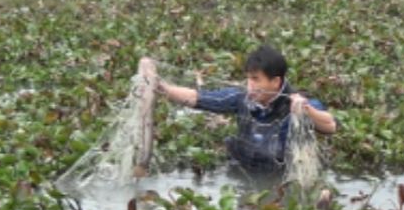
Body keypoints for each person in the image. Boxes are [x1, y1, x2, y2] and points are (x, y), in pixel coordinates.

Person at [140, 45, 336, 172]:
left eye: (256, 79)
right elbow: (196, 98)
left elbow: (329, 125)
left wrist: (306, 110)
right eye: (248, 78)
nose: (250, 85)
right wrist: (161, 88)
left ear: (276, 82)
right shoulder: (241, 99)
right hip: (243, 173)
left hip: (281, 180)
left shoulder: (296, 103)